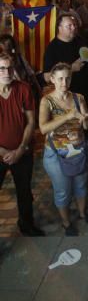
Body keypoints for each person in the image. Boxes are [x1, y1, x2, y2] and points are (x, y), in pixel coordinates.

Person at [39, 62, 88, 236]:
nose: (64, 82)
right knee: (63, 190)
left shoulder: (79, 98)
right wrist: (68, 116)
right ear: (53, 79)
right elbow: (43, 128)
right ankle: (65, 222)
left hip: (78, 150)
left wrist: (85, 121)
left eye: (68, 78)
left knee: (81, 185)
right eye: (61, 79)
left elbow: (87, 127)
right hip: (56, 154)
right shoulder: (47, 101)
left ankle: (82, 213)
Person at [0, 52, 43, 236]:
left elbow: (31, 122)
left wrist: (20, 149)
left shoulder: (24, 89)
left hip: (22, 151)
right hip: (0, 153)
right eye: (1, 68)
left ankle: (26, 224)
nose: (6, 72)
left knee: (24, 191)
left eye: (10, 68)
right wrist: (3, 152)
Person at [43, 13, 88, 107]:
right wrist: (71, 68)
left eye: (74, 25)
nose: (73, 28)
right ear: (59, 28)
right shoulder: (52, 49)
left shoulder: (80, 40)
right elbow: (47, 77)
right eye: (69, 26)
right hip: (70, 98)